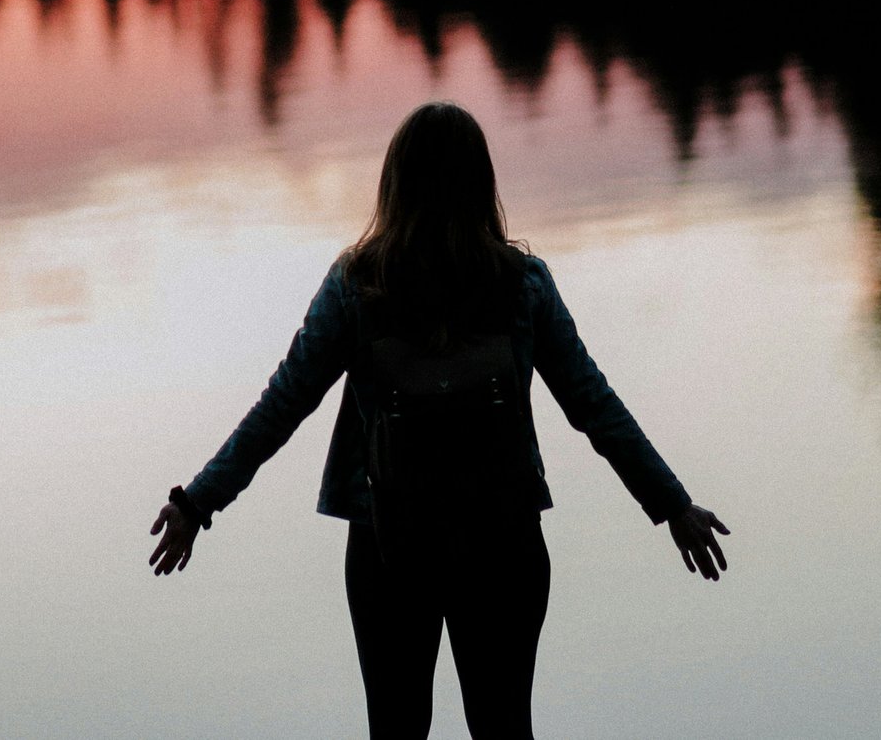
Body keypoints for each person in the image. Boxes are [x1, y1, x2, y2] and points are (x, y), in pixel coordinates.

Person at [146, 101, 729, 739]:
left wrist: (197, 503)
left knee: (396, 731)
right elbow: (595, 405)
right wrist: (674, 506)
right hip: (503, 542)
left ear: (394, 184)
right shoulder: (522, 286)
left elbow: (282, 406)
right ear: (482, 185)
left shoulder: (356, 287)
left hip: (388, 545)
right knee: (505, 728)